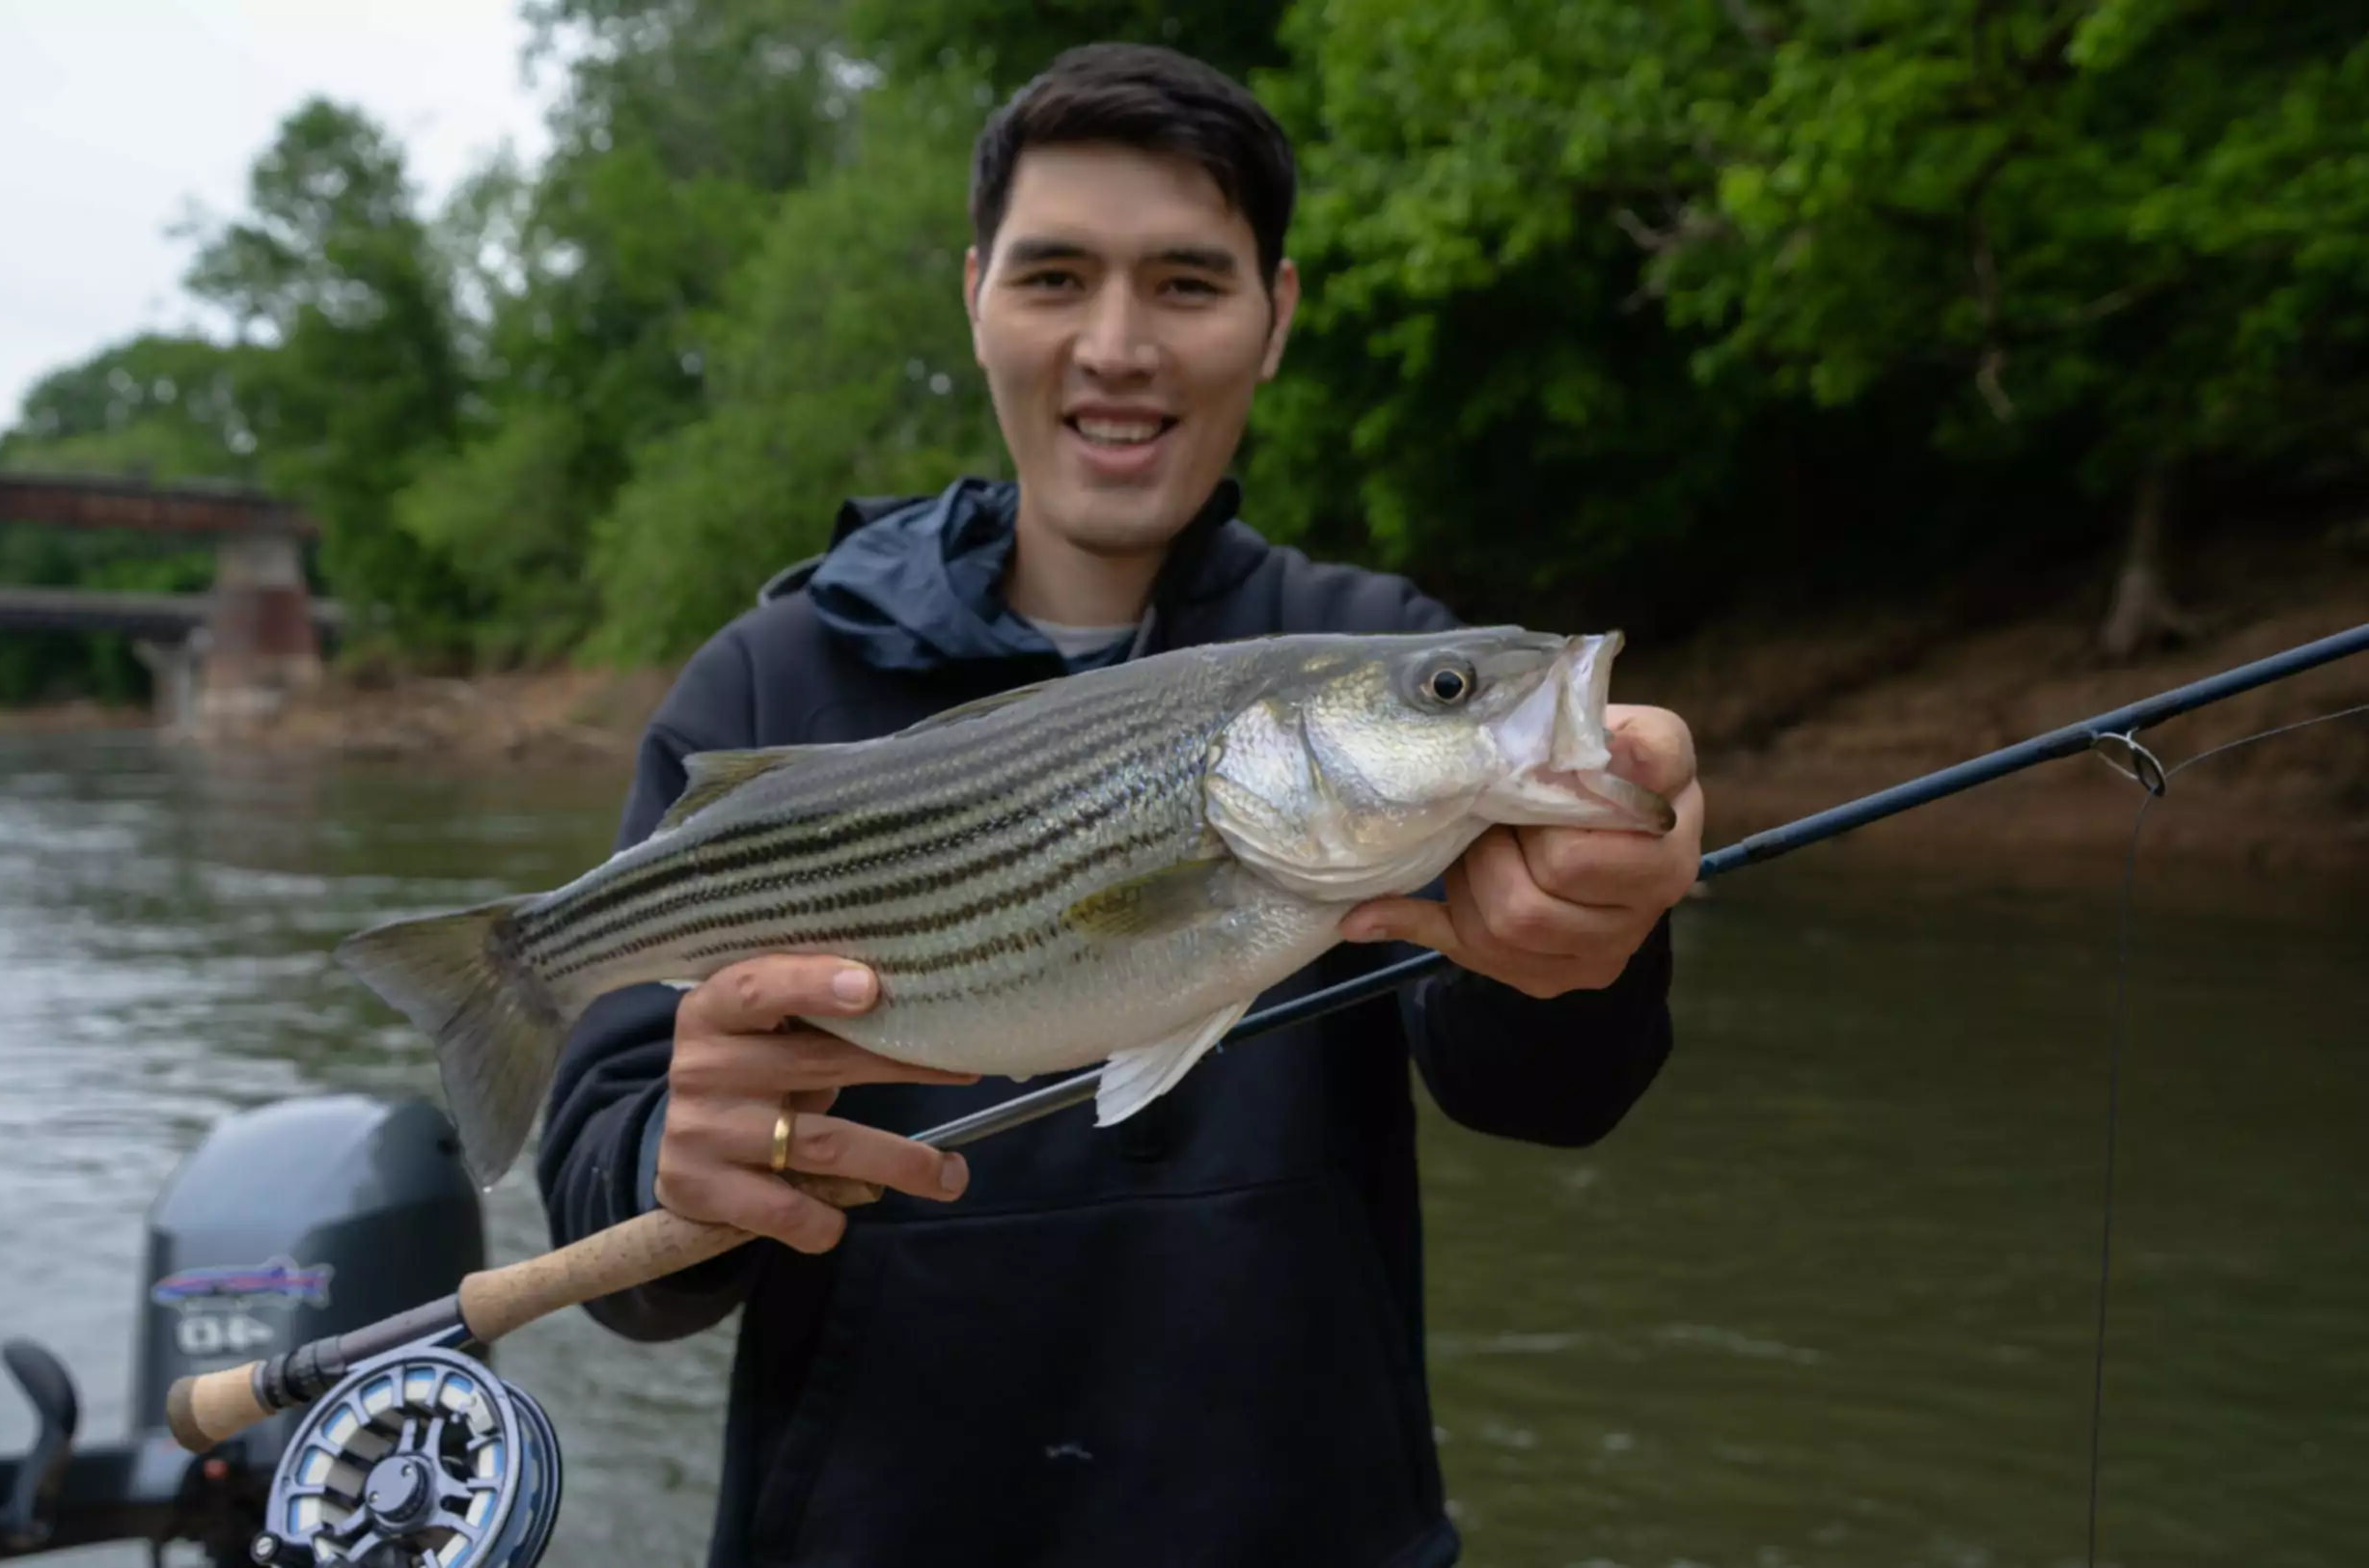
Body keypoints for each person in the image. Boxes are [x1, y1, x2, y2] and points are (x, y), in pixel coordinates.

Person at [537, 41, 1705, 1568]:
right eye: (1054, 276)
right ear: (975, 296)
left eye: (1186, 284)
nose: (1116, 345)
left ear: (1275, 318)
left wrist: (1595, 940)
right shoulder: (768, 683)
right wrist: (667, 1169)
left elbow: (1546, 1094)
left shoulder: (1371, 633)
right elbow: (615, 1251)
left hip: (1302, 1524)